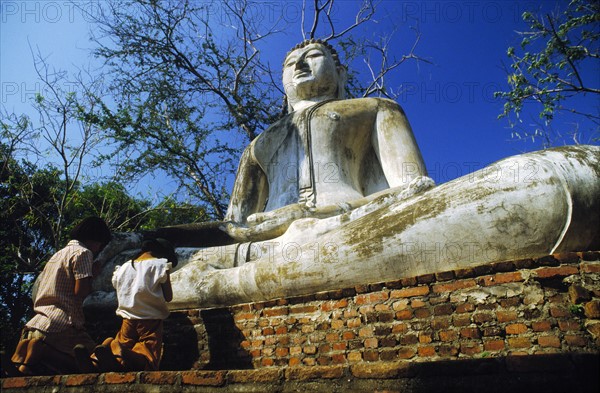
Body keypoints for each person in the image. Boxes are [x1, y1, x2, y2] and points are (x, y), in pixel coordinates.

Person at [9, 217, 111, 375]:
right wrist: (93, 275)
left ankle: (27, 355)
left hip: (37, 324)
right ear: (95, 239)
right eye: (100, 244)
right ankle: (42, 350)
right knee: (95, 363)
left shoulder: (57, 255)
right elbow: (80, 292)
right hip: (62, 325)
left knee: (21, 372)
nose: (99, 249)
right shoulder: (84, 253)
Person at [90, 238, 176, 372]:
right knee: (148, 355)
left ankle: (100, 354)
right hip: (150, 320)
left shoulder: (124, 268)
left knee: (122, 346)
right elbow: (169, 297)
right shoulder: (160, 265)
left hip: (128, 319)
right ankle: (124, 352)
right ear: (162, 254)